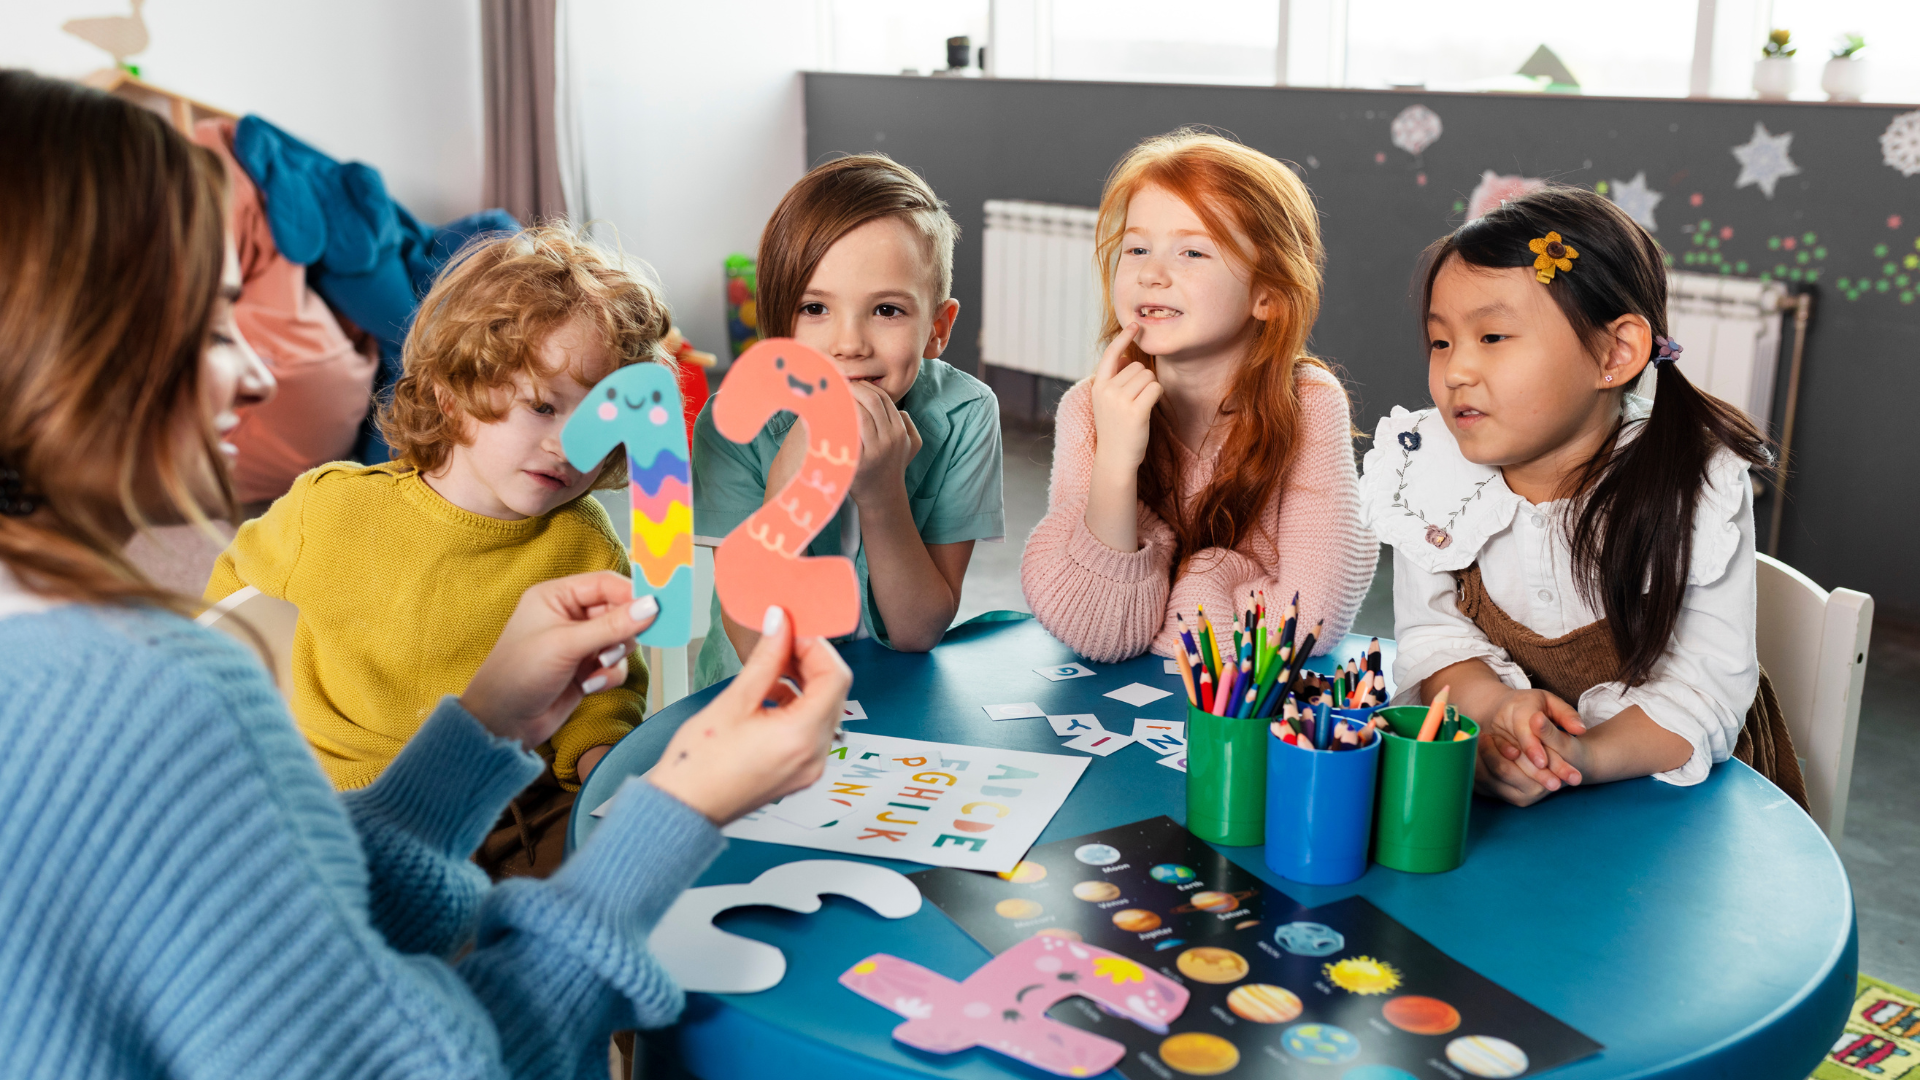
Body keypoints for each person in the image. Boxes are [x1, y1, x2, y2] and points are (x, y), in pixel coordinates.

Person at [0, 69, 851, 1076]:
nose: (261, 373)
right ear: (73, 340)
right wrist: (680, 812)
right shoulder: (170, 694)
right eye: (217, 318)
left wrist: (485, 722)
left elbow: (281, 939)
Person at [206, 225, 655, 878]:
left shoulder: (586, 541)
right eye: (541, 406)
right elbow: (228, 607)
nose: (568, 446)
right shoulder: (329, 507)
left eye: (597, 424)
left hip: (518, 809)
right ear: (451, 391)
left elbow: (601, 692)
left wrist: (604, 763)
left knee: (631, 892)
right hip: (348, 808)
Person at [1361, 185, 1806, 809]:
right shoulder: (1428, 472)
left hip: (1670, 789)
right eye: (1441, 342)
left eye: (1492, 337)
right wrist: (1496, 718)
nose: (1456, 370)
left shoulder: (1694, 485)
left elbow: (1704, 689)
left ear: (1615, 353)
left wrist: (1582, 756)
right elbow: (1435, 638)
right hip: (1516, 783)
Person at [1021, 129, 1376, 663]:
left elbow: (1311, 623)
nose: (1151, 273)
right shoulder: (1090, 407)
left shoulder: (1309, 405)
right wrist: (1116, 460)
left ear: (1268, 295)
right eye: (1136, 248)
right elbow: (1093, 629)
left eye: (1192, 252)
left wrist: (1195, 583)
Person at [691, 154, 1004, 688]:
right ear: (776, 328)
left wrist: (883, 495)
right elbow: (757, 645)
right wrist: (790, 485)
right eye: (815, 309)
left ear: (938, 328)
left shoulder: (966, 414)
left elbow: (917, 630)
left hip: (896, 698)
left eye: (887, 310)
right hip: (758, 701)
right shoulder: (730, 426)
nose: (849, 345)